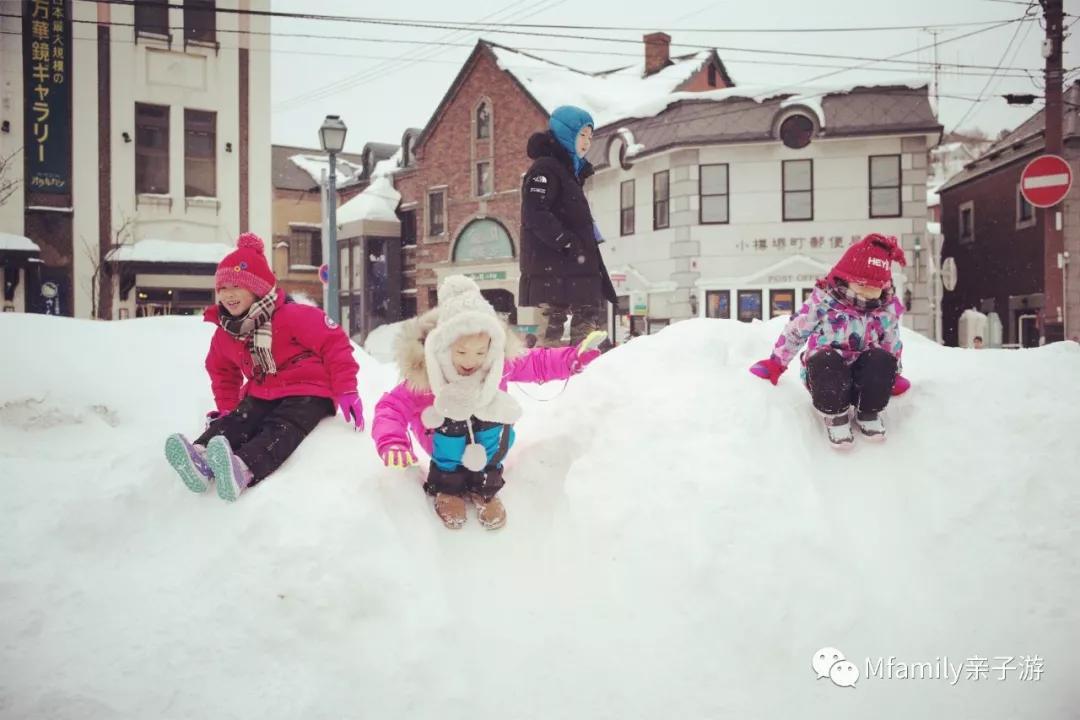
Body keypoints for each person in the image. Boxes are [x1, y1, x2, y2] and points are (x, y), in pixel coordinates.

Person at [372, 276, 604, 529]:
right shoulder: (429, 375)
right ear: (443, 347)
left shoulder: (496, 365)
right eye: (461, 352)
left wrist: (573, 358)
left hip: (490, 447)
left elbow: (538, 362)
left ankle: (485, 488)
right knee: (451, 417)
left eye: (480, 352)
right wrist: (392, 442)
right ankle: (447, 489)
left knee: (493, 412)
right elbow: (391, 407)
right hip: (444, 448)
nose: (471, 361)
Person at [163, 233, 363, 502]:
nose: (228, 294)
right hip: (264, 390)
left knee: (282, 426)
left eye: (236, 286)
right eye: (222, 288)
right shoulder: (226, 332)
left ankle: (244, 468)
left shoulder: (292, 316)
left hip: (309, 390)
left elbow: (334, 343)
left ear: (258, 288)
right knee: (240, 418)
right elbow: (221, 371)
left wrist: (346, 389)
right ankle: (201, 456)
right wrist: (227, 407)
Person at [748, 233, 908, 447]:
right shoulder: (824, 302)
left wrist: (892, 374)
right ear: (847, 278)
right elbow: (796, 330)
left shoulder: (884, 308)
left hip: (864, 373)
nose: (869, 293)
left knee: (880, 358)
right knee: (826, 360)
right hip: (827, 375)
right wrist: (776, 363)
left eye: (876, 287)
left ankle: (868, 411)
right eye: (863, 285)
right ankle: (836, 415)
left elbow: (892, 342)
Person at [519, 105, 617, 348]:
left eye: (590, 136)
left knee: (586, 328)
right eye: (581, 135)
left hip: (573, 268)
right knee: (547, 338)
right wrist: (566, 241)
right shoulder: (545, 169)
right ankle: (543, 380)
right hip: (551, 270)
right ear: (565, 133)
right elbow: (535, 212)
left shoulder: (570, 173)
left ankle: (581, 371)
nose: (586, 142)